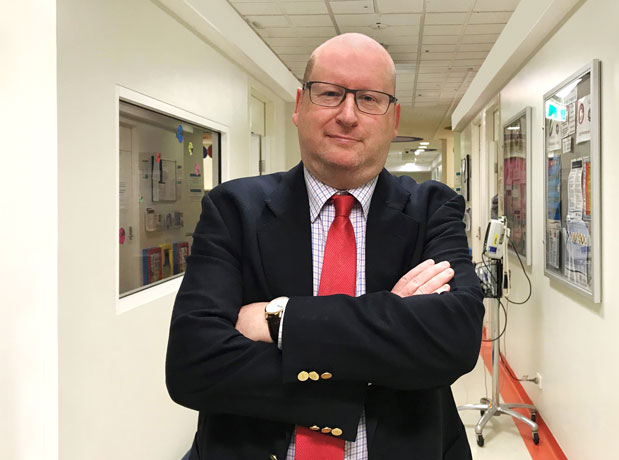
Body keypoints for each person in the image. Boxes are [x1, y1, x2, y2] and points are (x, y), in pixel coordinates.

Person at [166, 33, 484, 460]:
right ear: (300, 105)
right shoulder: (233, 210)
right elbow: (193, 363)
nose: (348, 115)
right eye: (330, 93)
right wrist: (387, 335)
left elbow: (455, 339)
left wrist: (281, 321)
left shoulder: (432, 209)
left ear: (394, 119)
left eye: (369, 99)